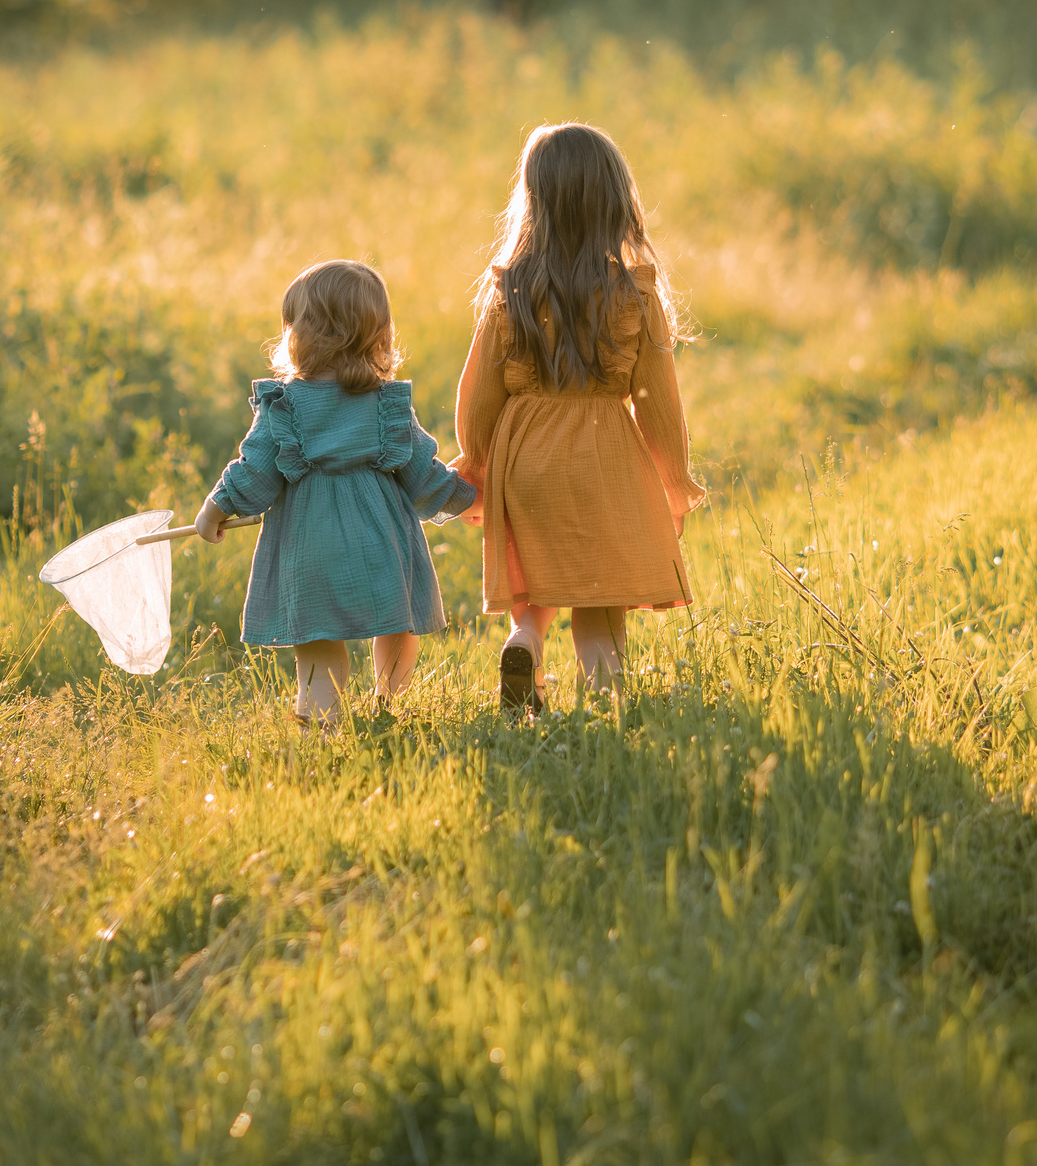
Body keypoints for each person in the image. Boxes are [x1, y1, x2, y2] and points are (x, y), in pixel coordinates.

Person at [452, 122, 705, 711]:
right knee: (600, 601)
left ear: (532, 202)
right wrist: (674, 484)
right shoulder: (635, 294)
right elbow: (658, 403)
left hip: (527, 462)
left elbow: (479, 394)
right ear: (617, 203)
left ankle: (526, 641)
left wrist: (476, 460)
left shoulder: (509, 291)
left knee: (535, 580)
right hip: (605, 458)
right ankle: (604, 701)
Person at [195, 259, 476, 727]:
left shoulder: (285, 405)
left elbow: (256, 471)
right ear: (378, 335)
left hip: (311, 547)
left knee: (321, 646)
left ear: (305, 335)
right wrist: (469, 497)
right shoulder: (385, 403)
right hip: (380, 543)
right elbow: (421, 473)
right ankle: (393, 707)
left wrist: (216, 506)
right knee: (397, 623)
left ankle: (320, 722)